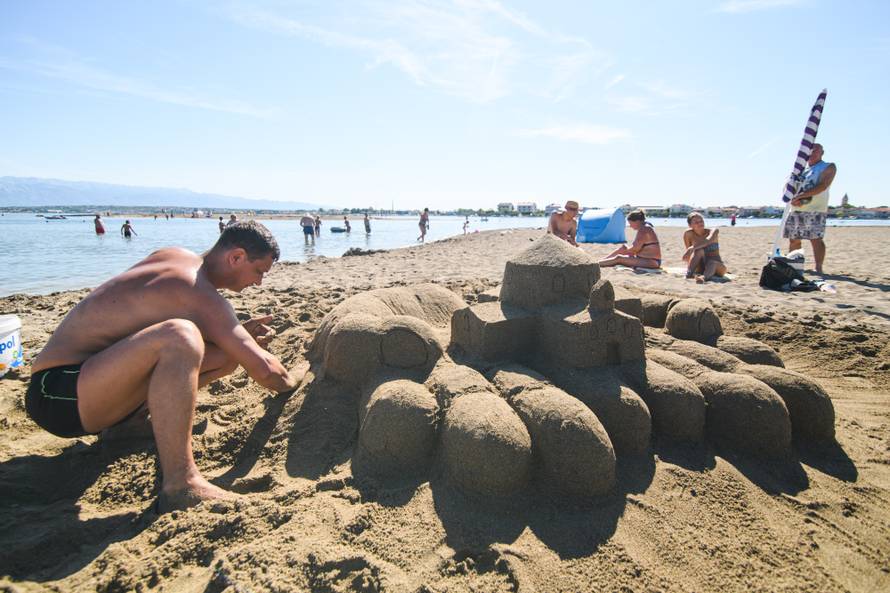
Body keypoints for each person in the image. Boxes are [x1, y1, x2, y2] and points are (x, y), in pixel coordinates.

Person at [25, 222, 304, 511]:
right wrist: (297, 378)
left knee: (225, 354)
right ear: (236, 257)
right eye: (259, 271)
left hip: (86, 383)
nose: (259, 283)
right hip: (58, 392)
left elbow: (137, 324)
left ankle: (127, 426)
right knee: (180, 336)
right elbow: (267, 372)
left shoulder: (175, 257)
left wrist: (237, 338)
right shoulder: (199, 292)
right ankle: (181, 482)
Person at [783, 143, 836, 273]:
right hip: (797, 209)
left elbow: (823, 185)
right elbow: (788, 187)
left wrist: (801, 196)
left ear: (822, 152)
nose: (812, 152)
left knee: (815, 239)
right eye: (810, 150)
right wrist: (793, 199)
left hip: (815, 209)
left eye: (816, 150)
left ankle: (818, 267)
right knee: (794, 239)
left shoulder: (827, 166)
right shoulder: (801, 171)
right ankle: (795, 265)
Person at [682, 212, 727, 282]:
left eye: (701, 221)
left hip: (716, 266)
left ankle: (703, 278)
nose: (700, 223)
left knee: (712, 263)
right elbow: (689, 254)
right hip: (700, 266)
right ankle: (689, 273)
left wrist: (692, 248)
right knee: (699, 251)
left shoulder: (713, 231)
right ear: (690, 225)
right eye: (696, 222)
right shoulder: (688, 234)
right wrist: (690, 265)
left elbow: (708, 241)